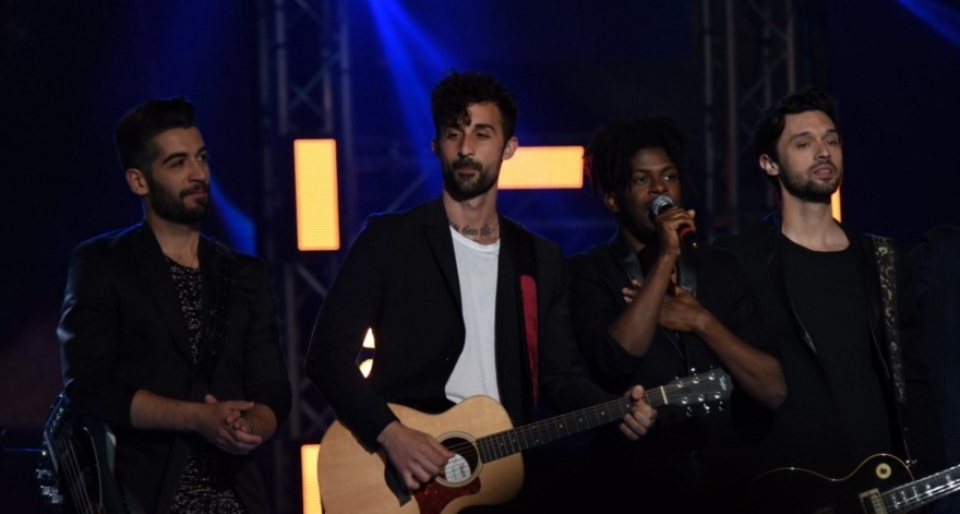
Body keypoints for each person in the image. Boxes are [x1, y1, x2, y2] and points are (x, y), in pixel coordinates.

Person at [304, 71, 656, 512]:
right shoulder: (389, 240)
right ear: (436, 145)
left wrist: (614, 407)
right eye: (454, 134)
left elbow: (558, 377)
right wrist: (390, 433)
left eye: (482, 134)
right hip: (401, 476)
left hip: (502, 478)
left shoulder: (539, 259)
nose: (466, 148)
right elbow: (326, 356)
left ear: (509, 147)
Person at [58, 97, 292, 514]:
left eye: (202, 157)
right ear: (138, 181)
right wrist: (196, 418)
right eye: (178, 163)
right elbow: (89, 387)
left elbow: (273, 390)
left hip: (237, 497)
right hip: (142, 494)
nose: (198, 173)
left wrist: (247, 426)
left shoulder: (245, 274)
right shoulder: (102, 264)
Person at [716, 88, 944, 509]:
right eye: (803, 144)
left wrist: (925, 477)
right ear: (769, 163)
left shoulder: (883, 259)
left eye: (832, 140)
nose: (823, 152)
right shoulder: (739, 261)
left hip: (883, 484)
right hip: (791, 491)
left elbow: (913, 379)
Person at [567, 117, 786, 511]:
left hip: (729, 485)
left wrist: (701, 320)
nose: (660, 189)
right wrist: (667, 256)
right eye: (642, 180)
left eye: (669, 176)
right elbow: (614, 362)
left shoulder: (722, 268)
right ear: (614, 199)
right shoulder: (589, 271)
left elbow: (773, 389)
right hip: (636, 488)